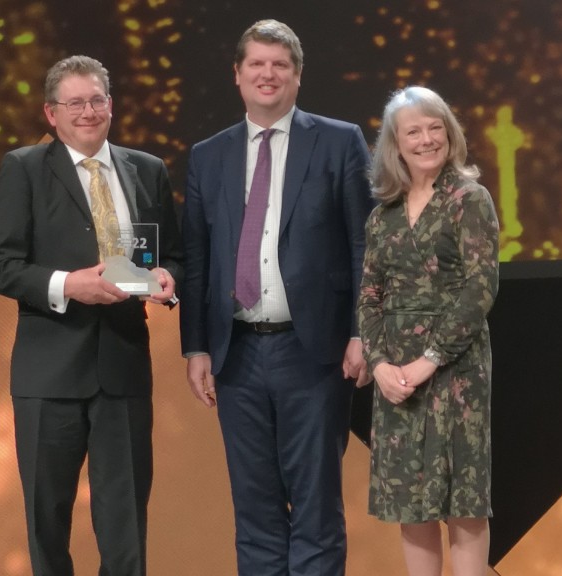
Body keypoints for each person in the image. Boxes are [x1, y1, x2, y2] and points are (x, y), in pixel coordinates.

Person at [179, 19, 374, 576]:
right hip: (235, 355)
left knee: (315, 508)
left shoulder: (339, 141)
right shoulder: (208, 155)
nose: (268, 74)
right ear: (237, 75)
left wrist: (362, 331)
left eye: (280, 65)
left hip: (314, 354)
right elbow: (196, 261)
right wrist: (195, 347)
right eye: (257, 65)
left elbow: (365, 245)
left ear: (297, 77)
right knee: (255, 510)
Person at [0, 55, 182, 576]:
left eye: (97, 100)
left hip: (123, 368)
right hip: (48, 373)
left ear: (111, 106)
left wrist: (167, 279)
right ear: (52, 113)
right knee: (46, 520)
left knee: (126, 526)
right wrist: (70, 285)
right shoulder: (23, 168)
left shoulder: (147, 169)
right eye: (75, 103)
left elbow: (175, 255)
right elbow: (0, 268)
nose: (88, 112)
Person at [356, 85, 500, 576]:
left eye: (434, 127)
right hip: (396, 378)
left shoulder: (469, 198)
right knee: (410, 505)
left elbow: (481, 288)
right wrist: (379, 365)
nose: (426, 139)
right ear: (395, 145)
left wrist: (429, 360)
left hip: (454, 372)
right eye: (413, 131)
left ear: (450, 133)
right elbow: (370, 295)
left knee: (462, 500)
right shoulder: (383, 217)